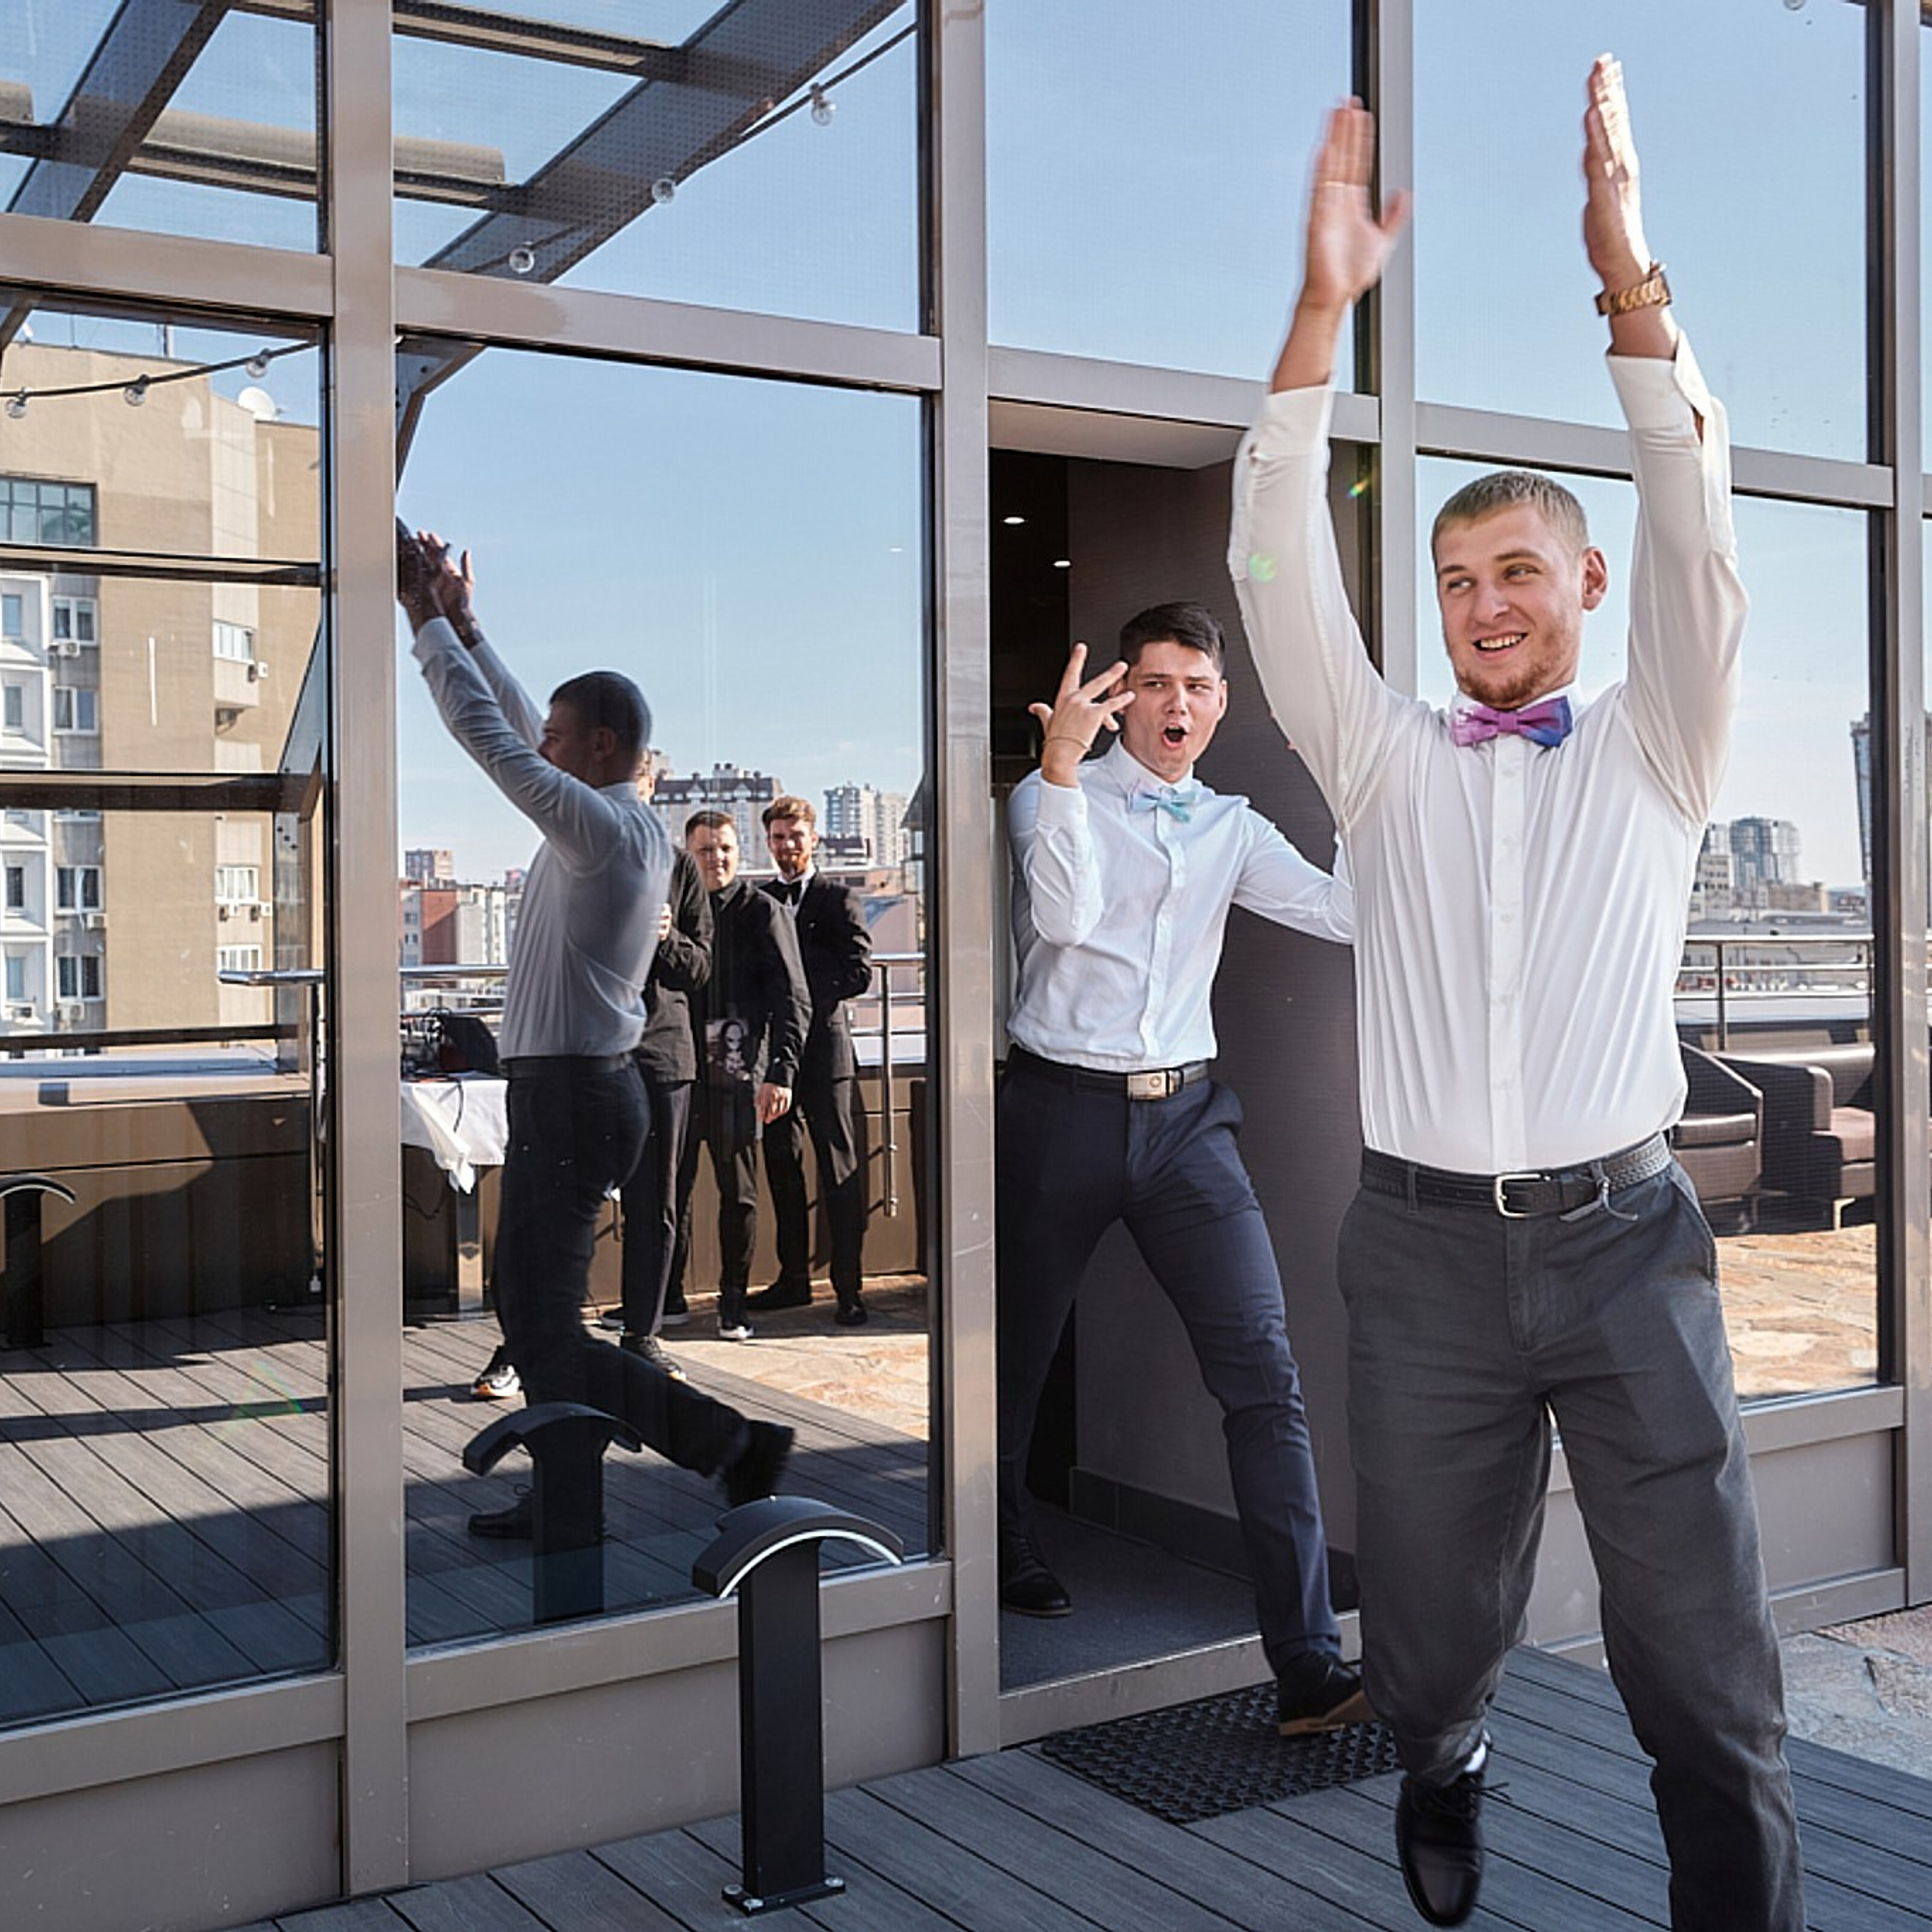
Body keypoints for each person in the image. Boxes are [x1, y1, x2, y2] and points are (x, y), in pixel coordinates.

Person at [1229, 65, 1804, 1929]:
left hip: (1626, 1236)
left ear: (1582, 583)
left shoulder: (1656, 739)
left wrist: (1622, 274)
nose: (1481, 602)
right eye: (1452, 577)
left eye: (1515, 571)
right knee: (1427, 1609)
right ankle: (1440, 1751)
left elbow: (1693, 509)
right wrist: (1321, 309)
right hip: (1413, 1256)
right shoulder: (1379, 757)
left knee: (1699, 1645)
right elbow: (1268, 567)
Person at [998, 598, 1368, 1739]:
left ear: (1219, 705)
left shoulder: (1231, 825)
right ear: (1121, 697)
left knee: (1267, 1376)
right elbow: (1060, 919)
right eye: (1158, 683)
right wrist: (1059, 764)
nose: (1180, 704)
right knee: (1012, 1360)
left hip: (1188, 1125)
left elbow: (1349, 914)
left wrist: (1362, 785)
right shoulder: (1049, 795)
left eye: (1200, 686)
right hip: (1057, 1112)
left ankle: (1307, 1662)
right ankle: (997, 1549)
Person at [395, 529, 792, 1526]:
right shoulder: (612, 820)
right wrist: (467, 623)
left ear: (603, 749)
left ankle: (726, 1443)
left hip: (573, 1094)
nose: (547, 750)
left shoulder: (608, 827)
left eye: (564, 740)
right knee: (537, 1319)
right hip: (574, 1091)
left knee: (539, 1325)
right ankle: (572, 1498)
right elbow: (525, 722)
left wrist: (425, 622)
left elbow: (489, 736)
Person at [675, 810, 811, 1340]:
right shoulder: (676, 911)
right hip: (680, 1067)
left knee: (739, 1192)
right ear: (688, 855)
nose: (717, 858)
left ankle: (733, 1302)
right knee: (672, 1188)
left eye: (726, 848)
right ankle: (668, 1297)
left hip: (736, 1064)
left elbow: (794, 999)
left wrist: (781, 1071)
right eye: (705, 850)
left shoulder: (764, 911)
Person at [751, 795, 873, 1327]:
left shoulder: (838, 897)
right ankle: (793, 1280)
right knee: (782, 1169)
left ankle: (849, 1289)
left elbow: (860, 972)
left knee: (838, 1171)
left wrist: (801, 995)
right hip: (777, 1061)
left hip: (827, 1054)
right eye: (778, 837)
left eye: (795, 836)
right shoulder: (759, 901)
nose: (787, 846)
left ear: (813, 838)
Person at [607, 777, 712, 1375]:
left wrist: (667, 936)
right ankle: (529, 1341)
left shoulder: (678, 866)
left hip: (661, 1055)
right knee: (562, 1197)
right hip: (593, 1047)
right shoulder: (581, 855)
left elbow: (700, 967)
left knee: (656, 1202)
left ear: (647, 785)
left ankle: (641, 1336)